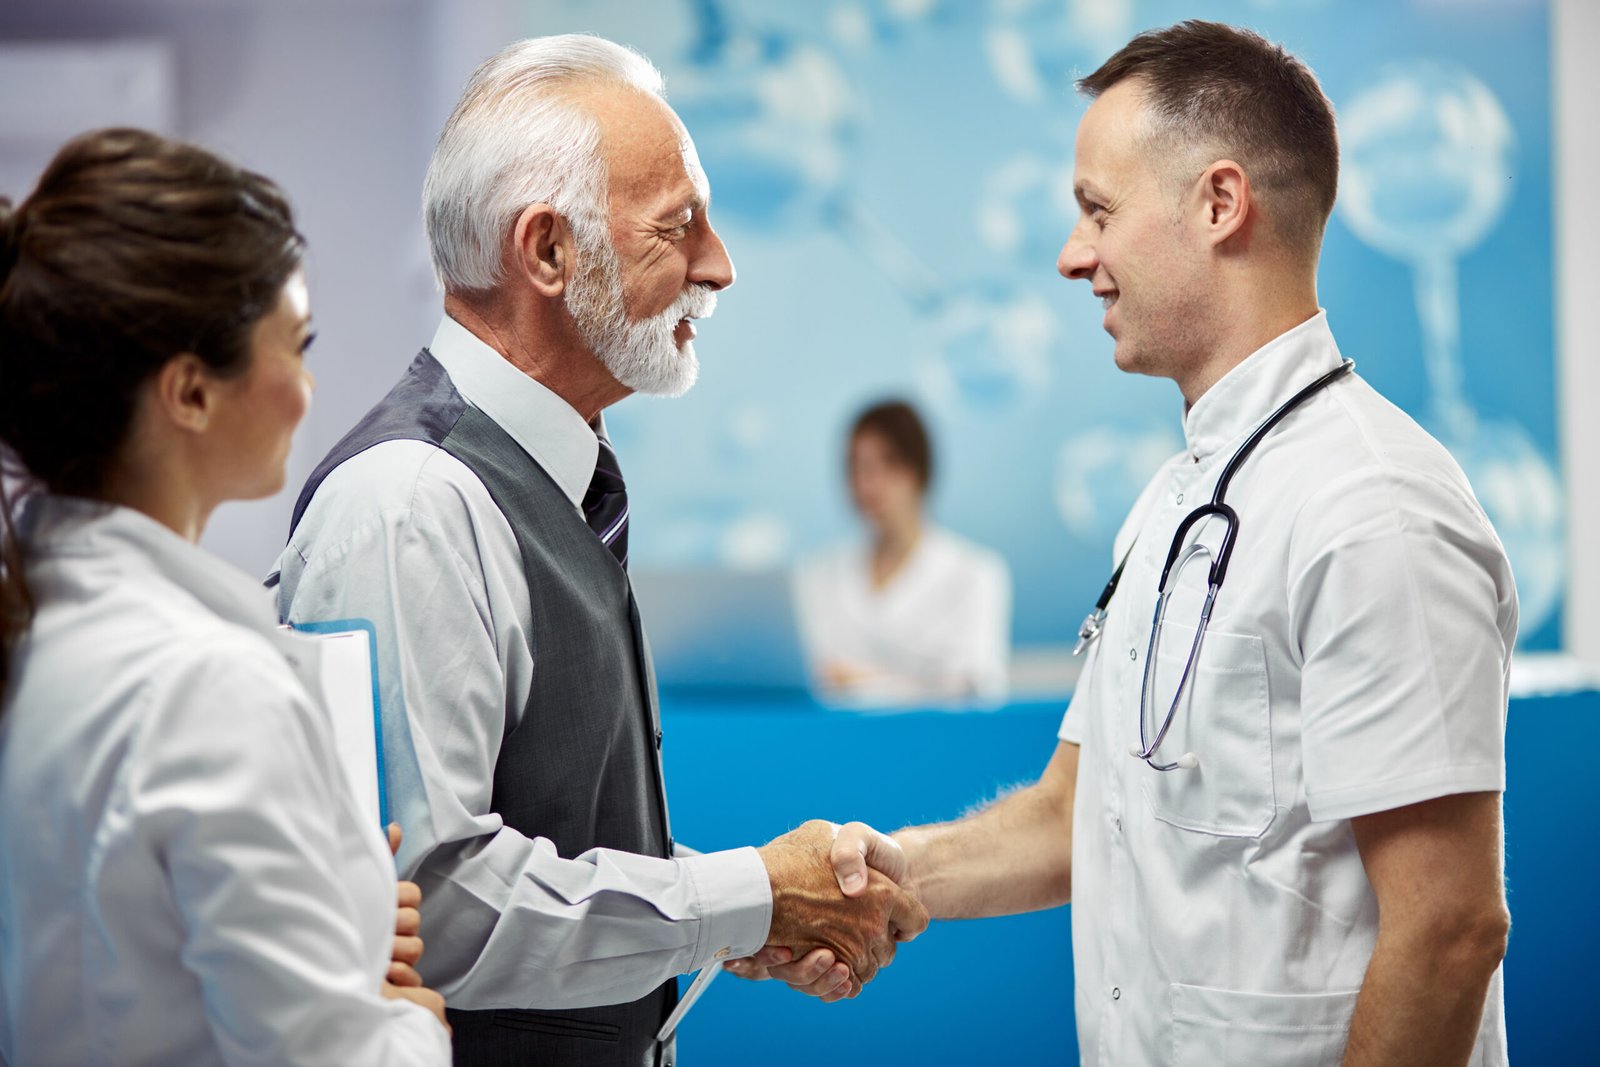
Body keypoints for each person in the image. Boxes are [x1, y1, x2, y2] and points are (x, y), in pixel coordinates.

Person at [749, 20, 1516, 1065]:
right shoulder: (1170, 504)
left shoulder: (1373, 507)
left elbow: (1449, 929)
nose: (1074, 256)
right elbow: (1078, 812)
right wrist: (881, 879)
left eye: (1097, 213)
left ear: (1218, 203)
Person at [271, 34, 925, 1066]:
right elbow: (433, 902)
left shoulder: (545, 481)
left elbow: (550, 840)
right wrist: (747, 894)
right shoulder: (409, 504)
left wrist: (741, 919)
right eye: (680, 226)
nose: (721, 264)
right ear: (546, 252)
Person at [0, 128, 451, 1065]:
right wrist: (409, 1025)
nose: (308, 387)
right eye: (297, 343)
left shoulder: (48, 632)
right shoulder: (205, 685)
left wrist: (341, 901)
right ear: (192, 392)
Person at [795, 399, 1011, 704]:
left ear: (919, 470)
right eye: (857, 467)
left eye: (887, 465)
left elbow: (973, 685)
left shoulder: (974, 573)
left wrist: (865, 683)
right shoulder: (817, 576)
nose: (868, 485)